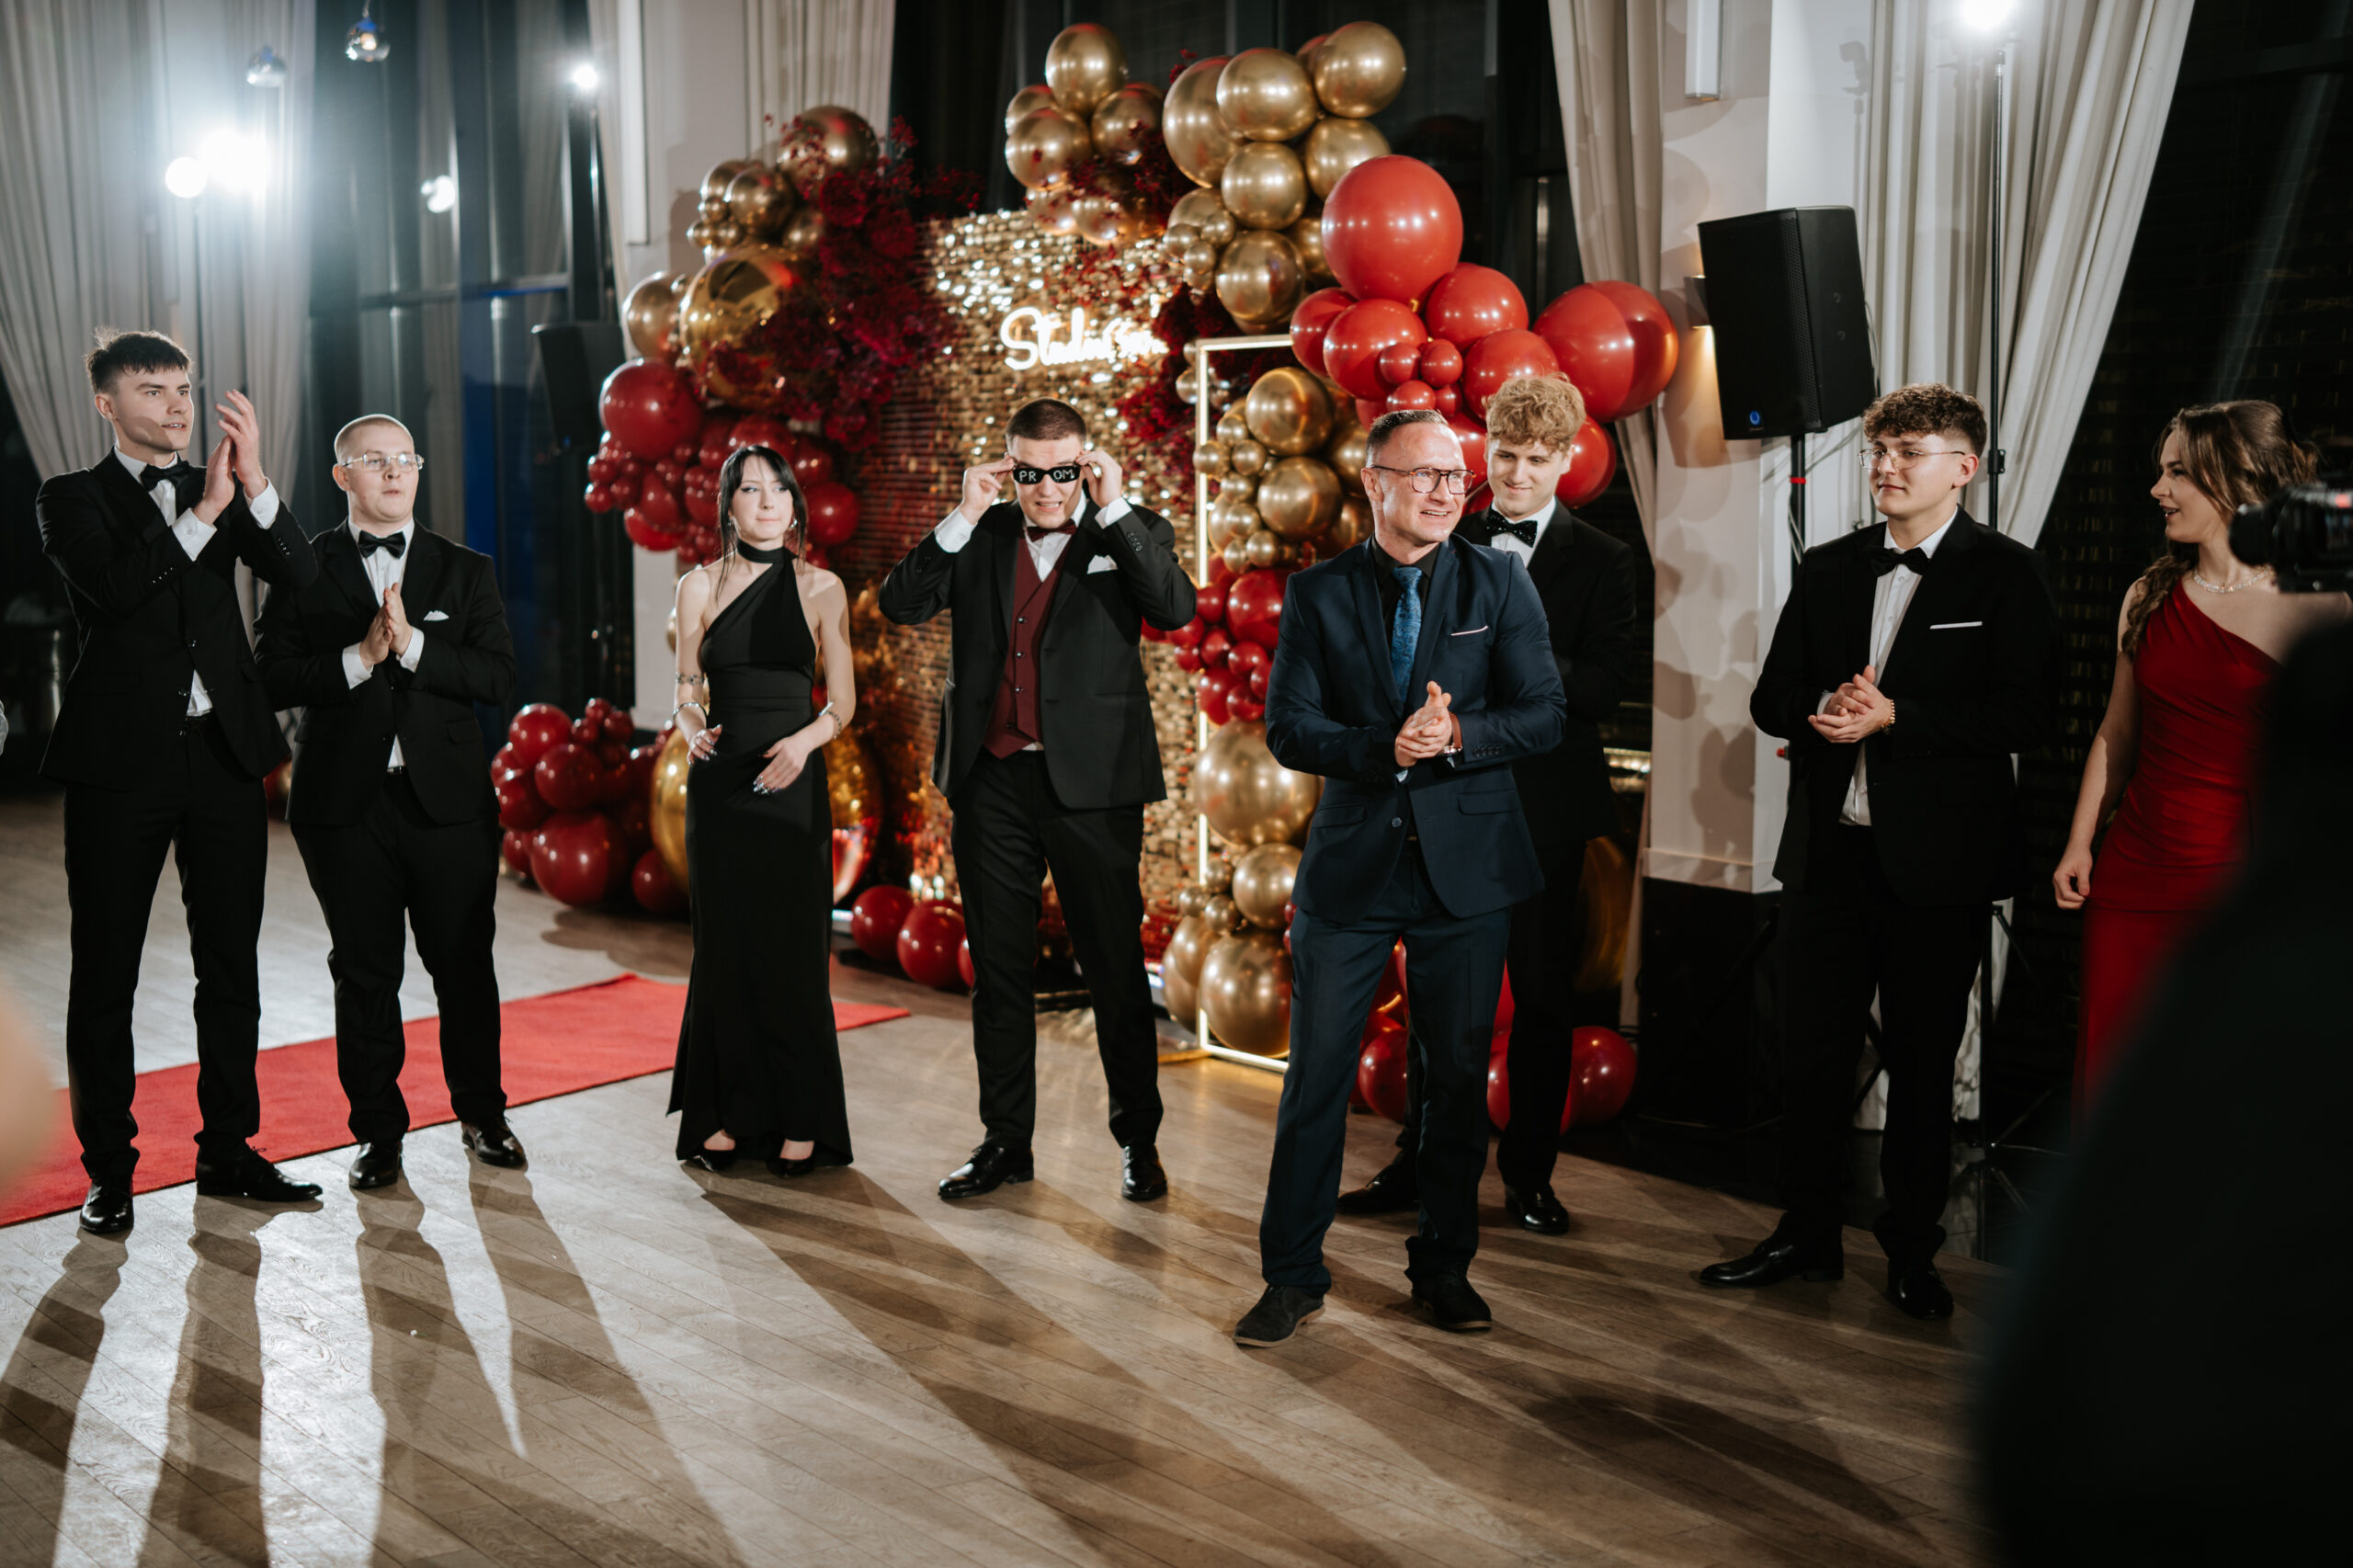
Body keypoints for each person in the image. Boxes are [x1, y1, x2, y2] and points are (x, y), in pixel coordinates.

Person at [1713, 382, 2062, 1320]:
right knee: (1810, 1059)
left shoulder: (2007, 574)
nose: (1886, 467)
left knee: (1921, 1063)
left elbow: (2029, 714)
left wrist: (1899, 715)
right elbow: (1771, 698)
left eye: (1910, 451)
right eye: (1879, 451)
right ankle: (1805, 1231)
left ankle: (1912, 1249)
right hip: (1829, 856)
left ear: (1964, 466)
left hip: (1939, 867)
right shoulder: (1829, 566)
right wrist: (1823, 708)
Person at [1236, 408, 1567, 1347]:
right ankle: (1291, 1275)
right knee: (1316, 1077)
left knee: (1456, 1079)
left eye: (1454, 476)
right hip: (1353, 868)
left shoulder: (1499, 581)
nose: (1444, 491)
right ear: (1374, 481)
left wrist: (1458, 732)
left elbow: (1544, 712)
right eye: (1423, 474)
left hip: (1468, 871)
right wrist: (1383, 747)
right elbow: (1290, 727)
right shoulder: (1318, 593)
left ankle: (1443, 1268)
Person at [36, 329, 323, 1234]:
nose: (176, 406)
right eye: (153, 390)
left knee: (230, 966)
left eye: (184, 389)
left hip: (224, 756)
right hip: (120, 764)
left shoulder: (225, 485)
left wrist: (257, 483)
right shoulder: (69, 497)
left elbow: (303, 577)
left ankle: (228, 1150)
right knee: (106, 972)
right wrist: (203, 512)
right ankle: (109, 1171)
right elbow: (117, 590)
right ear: (107, 404)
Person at [1335, 375, 1636, 1236]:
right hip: (1448, 797)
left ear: (1566, 460)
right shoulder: (1442, 535)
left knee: (1542, 997)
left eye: (1537, 459)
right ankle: (1417, 1161)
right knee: (1438, 993)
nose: (1517, 474)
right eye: (1504, 455)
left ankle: (1530, 1178)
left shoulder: (1605, 560)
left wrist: (1513, 660)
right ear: (1484, 453)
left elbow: (1604, 688)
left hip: (1546, 806)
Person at [879, 399, 1196, 1203]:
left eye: (1062, 473)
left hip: (1094, 789)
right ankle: (1005, 1143)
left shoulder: (1132, 531)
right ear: (1008, 468)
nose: (1047, 489)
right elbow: (899, 604)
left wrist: (1114, 508)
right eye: (1029, 473)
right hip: (991, 780)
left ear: (1086, 465)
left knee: (1114, 969)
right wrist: (962, 513)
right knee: (999, 970)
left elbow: (1175, 609)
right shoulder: (979, 534)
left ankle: (1139, 1140)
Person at [2052, 403, 2349, 1116]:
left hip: (2245, 883)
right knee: (2120, 1081)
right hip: (2134, 872)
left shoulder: (2321, 604)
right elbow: (2116, 733)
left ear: (2236, 479)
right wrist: (2080, 842)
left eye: (2178, 472)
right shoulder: (2147, 596)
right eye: (2161, 470)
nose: (2158, 488)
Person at [254, 415, 523, 1189]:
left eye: (405, 459)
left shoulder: (466, 569)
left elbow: (498, 676)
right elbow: (269, 676)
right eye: (375, 460)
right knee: (365, 973)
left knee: (463, 966)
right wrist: (360, 657)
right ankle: (377, 1134)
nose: (395, 472)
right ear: (344, 476)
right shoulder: (303, 568)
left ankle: (484, 1116)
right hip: (344, 807)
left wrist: (412, 647)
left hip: (449, 807)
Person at [669, 444, 858, 1176]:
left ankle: (800, 1117)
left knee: (793, 949)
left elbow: (843, 702)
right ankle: (719, 1113)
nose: (769, 501)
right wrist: (692, 729)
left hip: (793, 782)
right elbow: (687, 690)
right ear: (729, 507)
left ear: (795, 504)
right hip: (719, 786)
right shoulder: (698, 586)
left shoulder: (823, 587)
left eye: (779, 488)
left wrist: (804, 744)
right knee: (724, 947)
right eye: (751, 490)